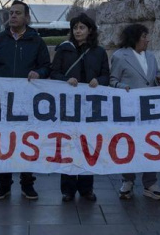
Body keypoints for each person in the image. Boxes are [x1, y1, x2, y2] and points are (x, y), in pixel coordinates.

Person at [0, 0, 51, 200]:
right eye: (11, 13)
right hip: (3, 102)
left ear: (27, 17)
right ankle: (3, 184)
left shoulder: (37, 41)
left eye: (17, 13)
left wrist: (39, 72)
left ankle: (27, 183)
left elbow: (47, 67)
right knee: (4, 142)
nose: (13, 16)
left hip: (28, 101)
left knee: (27, 141)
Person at [50, 12, 109, 203]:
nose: (78, 31)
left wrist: (97, 81)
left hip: (90, 107)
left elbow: (106, 76)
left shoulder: (99, 52)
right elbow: (54, 74)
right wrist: (66, 80)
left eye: (82, 27)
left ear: (90, 30)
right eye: (75, 28)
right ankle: (67, 189)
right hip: (68, 106)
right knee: (68, 145)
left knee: (87, 145)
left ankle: (86, 188)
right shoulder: (63, 50)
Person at [109, 23, 160, 201]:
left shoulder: (150, 56)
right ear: (135, 38)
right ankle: (128, 181)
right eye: (144, 36)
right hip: (128, 109)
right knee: (129, 144)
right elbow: (112, 80)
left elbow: (156, 74)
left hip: (149, 110)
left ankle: (150, 182)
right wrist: (121, 86)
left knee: (150, 143)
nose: (147, 40)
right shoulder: (119, 56)